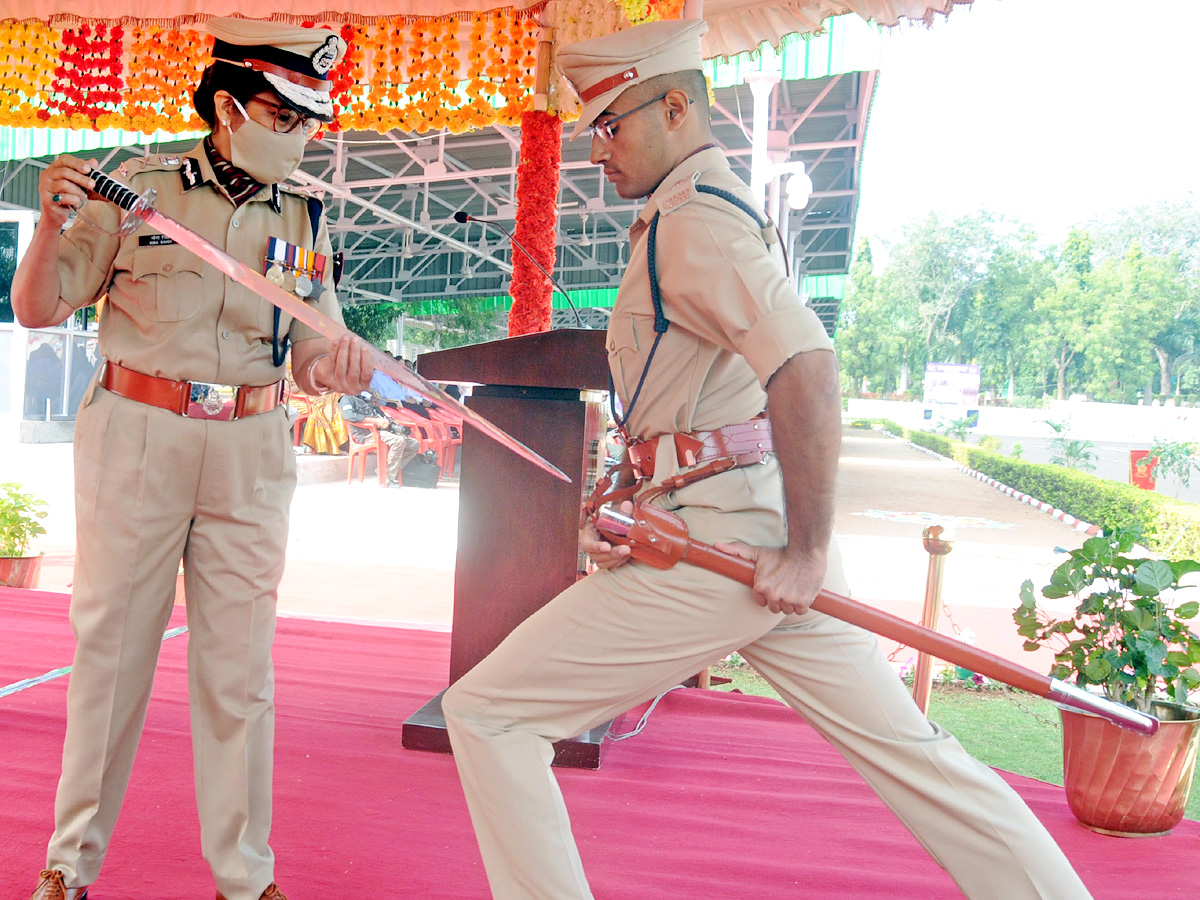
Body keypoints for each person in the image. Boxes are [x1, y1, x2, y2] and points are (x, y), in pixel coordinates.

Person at [442, 19, 1094, 900]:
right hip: (742, 527)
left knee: (488, 715)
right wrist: (644, 494)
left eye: (610, 124)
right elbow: (704, 395)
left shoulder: (695, 224)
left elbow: (807, 367)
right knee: (918, 761)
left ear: (676, 108)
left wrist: (808, 553)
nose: (598, 149)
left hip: (729, 552)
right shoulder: (704, 214)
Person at [12, 18, 373, 900]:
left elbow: (310, 354)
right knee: (112, 655)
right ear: (226, 104)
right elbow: (41, 309)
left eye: (308, 122)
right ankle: (70, 867)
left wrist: (338, 361)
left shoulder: (306, 216)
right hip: (140, 434)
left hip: (252, 445)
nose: (298, 136)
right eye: (281, 116)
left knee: (241, 670)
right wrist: (49, 228)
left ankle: (246, 881)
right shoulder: (136, 186)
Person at [338, 390, 421, 486]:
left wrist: (389, 422)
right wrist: (375, 421)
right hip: (366, 434)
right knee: (398, 441)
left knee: (414, 444)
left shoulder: (364, 398)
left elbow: (377, 414)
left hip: (381, 431)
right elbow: (349, 416)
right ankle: (387, 478)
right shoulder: (346, 399)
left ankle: (383, 471)